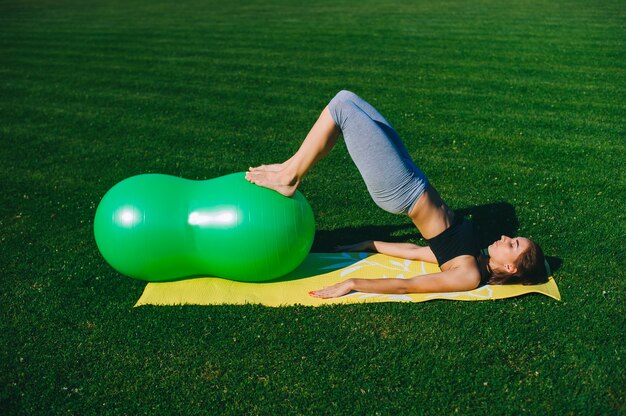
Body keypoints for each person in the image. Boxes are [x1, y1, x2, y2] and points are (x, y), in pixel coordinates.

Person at [245, 90, 548, 298]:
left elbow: (409, 285)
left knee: (342, 110)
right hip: (411, 179)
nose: (508, 237)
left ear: (510, 267)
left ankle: (289, 176)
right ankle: (289, 166)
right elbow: (417, 252)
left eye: (514, 244)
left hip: (401, 190)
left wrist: (353, 283)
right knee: (345, 98)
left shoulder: (468, 275)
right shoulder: (475, 256)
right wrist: (368, 244)